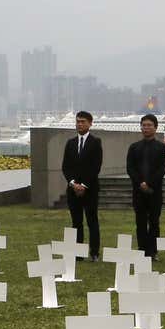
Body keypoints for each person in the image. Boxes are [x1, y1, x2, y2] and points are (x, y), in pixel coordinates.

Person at [61, 110, 103, 260]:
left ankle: (94, 252)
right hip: (73, 190)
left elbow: (95, 167)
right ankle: (78, 253)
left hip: (90, 189)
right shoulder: (70, 143)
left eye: (83, 121)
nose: (79, 124)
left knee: (92, 221)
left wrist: (84, 185)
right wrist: (73, 184)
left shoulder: (96, 142)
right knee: (76, 222)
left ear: (90, 123)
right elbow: (66, 167)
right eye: (78, 121)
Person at [127, 113, 165, 257]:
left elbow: (162, 169)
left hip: (155, 191)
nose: (146, 128)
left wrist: (149, 183)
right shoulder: (134, 147)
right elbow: (130, 168)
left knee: (154, 222)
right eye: (144, 125)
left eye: (149, 125)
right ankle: (142, 249)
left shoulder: (162, 148)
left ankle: (153, 250)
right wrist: (140, 183)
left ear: (155, 128)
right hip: (138, 191)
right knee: (140, 222)